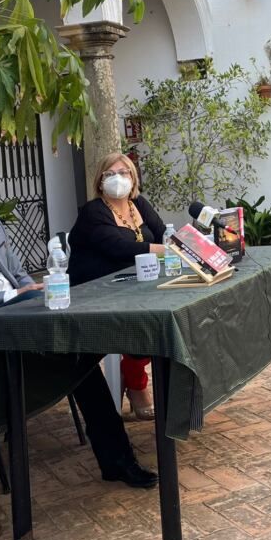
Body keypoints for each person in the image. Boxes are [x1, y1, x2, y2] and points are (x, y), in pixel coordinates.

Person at [0, 151, 158, 489]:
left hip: (21, 312)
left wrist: (30, 289)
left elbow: (19, 274)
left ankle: (116, 460)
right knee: (77, 358)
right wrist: (12, 296)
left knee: (80, 351)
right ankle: (116, 459)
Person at [66, 152, 167, 419]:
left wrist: (178, 244)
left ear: (133, 178)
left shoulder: (138, 205)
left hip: (133, 283)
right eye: (110, 174)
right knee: (147, 321)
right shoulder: (93, 211)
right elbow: (120, 248)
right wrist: (167, 250)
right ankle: (136, 380)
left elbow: (162, 233)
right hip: (93, 292)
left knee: (168, 313)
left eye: (124, 173)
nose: (117, 179)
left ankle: (136, 375)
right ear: (100, 181)